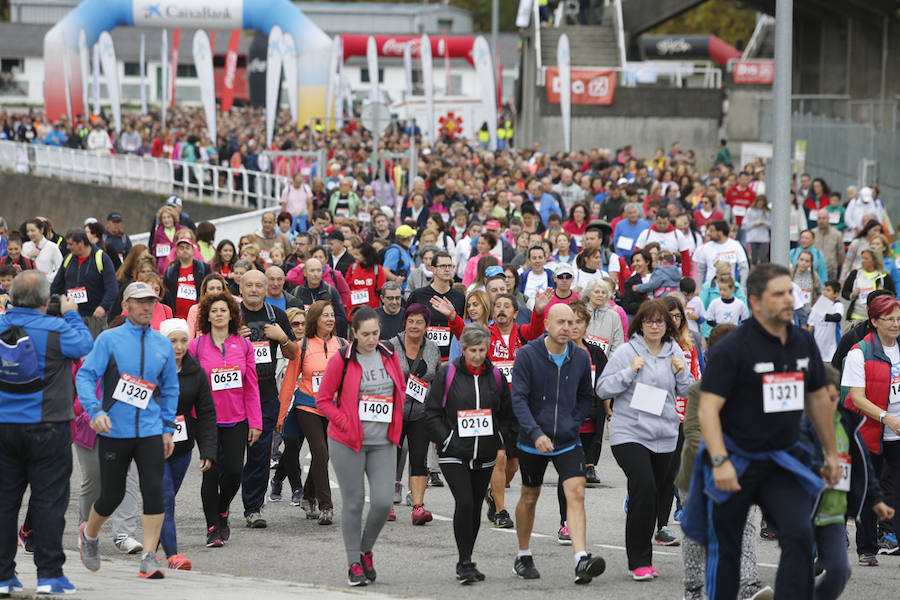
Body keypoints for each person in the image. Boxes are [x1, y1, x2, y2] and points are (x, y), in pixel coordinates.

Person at [687, 263, 840, 599]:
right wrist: (719, 460)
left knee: (800, 536)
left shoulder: (803, 342)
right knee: (726, 549)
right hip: (735, 459)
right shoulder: (733, 348)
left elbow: (816, 398)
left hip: (782, 459)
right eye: (779, 294)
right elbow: (708, 409)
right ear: (755, 302)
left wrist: (830, 453)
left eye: (791, 292)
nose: (789, 299)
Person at [76, 281, 180, 580]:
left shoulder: (162, 343)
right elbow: (85, 376)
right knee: (111, 495)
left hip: (149, 430)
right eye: (140, 302)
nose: (147, 307)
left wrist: (167, 427)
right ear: (127, 305)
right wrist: (95, 411)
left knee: (154, 491)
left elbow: (170, 388)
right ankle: (90, 534)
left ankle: (149, 557)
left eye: (151, 301)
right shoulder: (109, 339)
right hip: (114, 430)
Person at [0, 272, 93, 595]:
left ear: (11, 298)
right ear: (44, 300)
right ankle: (49, 576)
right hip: (48, 426)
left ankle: (3, 576)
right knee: (49, 502)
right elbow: (84, 344)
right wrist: (71, 313)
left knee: (4, 503)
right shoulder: (56, 328)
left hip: (3, 426)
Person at [510, 304, 607, 584]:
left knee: (576, 492)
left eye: (572, 322)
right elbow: (518, 398)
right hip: (532, 440)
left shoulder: (580, 357)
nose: (567, 327)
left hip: (567, 440)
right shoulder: (528, 355)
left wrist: (572, 424)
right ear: (547, 324)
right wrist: (536, 433)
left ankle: (581, 559)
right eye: (561, 322)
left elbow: (585, 396)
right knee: (530, 496)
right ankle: (523, 554)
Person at [675, 323, 773, 600]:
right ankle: (693, 588)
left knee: (746, 525)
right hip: (697, 470)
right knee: (697, 532)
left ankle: (748, 585)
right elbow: (693, 433)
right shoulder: (698, 391)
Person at [596, 300, 693, 580]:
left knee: (655, 494)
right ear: (639, 324)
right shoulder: (627, 351)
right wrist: (630, 371)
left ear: (668, 326)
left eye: (660, 322)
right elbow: (602, 388)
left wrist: (680, 371)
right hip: (629, 433)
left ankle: (644, 557)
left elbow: (686, 389)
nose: (654, 326)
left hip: (664, 434)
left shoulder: (675, 351)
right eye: (648, 321)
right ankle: (638, 561)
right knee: (644, 487)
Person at [315, 307, 406, 586]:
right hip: (348, 442)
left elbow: (399, 391)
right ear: (353, 333)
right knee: (354, 503)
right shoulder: (341, 360)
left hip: (382, 443)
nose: (371, 339)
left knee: (382, 502)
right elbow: (323, 400)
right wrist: (344, 421)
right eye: (365, 334)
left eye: (375, 333)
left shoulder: (389, 356)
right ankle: (353, 562)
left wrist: (396, 428)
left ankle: (366, 550)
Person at [425, 322, 517, 584]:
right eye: (473, 350)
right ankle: (464, 561)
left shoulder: (496, 376)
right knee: (464, 502)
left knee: (475, 506)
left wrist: (500, 440)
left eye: (482, 350)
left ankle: (466, 560)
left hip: (485, 452)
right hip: (454, 451)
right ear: (463, 349)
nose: (478, 356)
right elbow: (432, 413)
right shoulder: (447, 374)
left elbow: (507, 415)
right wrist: (447, 439)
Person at [804, 363, 895, 593]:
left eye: (834, 398)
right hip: (802, 513)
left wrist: (876, 501)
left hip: (834, 513)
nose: (829, 405)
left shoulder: (847, 425)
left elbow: (864, 468)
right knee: (798, 572)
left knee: (840, 572)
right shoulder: (799, 426)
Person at [189, 292, 261, 547]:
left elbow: (251, 387)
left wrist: (256, 422)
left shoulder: (243, 346)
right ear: (207, 316)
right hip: (205, 420)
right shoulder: (195, 346)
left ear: (231, 314)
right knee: (211, 472)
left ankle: (222, 510)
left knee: (233, 472)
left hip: (237, 418)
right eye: (214, 311)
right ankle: (212, 528)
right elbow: (187, 382)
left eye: (223, 310)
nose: (219, 314)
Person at [841, 294, 900, 567]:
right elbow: (856, 397)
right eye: (890, 319)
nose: (896, 324)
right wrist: (886, 417)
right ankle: (867, 547)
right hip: (871, 430)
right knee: (868, 490)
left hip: (897, 432)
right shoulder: (859, 351)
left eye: (899, 319)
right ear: (874, 321)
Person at [238, 270, 298, 527]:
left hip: (265, 396)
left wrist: (282, 337)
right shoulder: (230, 315)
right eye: (248, 285)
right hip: (232, 396)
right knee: (228, 461)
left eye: (258, 285)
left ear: (266, 289)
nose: (253, 289)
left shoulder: (277, 316)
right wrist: (231, 339)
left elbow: (294, 353)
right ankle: (219, 507)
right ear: (240, 289)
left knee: (260, 455)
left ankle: (253, 509)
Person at [278, 301, 345, 525]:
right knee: (320, 452)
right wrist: (280, 414)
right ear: (315, 319)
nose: (329, 319)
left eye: (332, 315)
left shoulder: (343, 345)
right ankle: (325, 505)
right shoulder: (302, 346)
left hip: (333, 408)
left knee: (324, 455)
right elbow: (289, 381)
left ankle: (308, 496)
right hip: (307, 405)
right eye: (324, 315)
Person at [158, 318, 217, 570]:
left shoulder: (196, 371)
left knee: (164, 500)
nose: (179, 347)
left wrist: (208, 450)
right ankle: (172, 555)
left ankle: (152, 548)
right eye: (173, 341)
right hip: (153, 444)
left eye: (184, 340)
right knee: (165, 497)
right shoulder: (152, 368)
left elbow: (206, 413)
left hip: (182, 447)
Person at [388, 304, 442, 525]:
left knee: (419, 458)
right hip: (395, 411)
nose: (414, 326)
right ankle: (387, 504)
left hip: (421, 412)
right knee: (391, 458)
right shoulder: (392, 345)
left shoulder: (432, 348)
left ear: (426, 325)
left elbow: (437, 378)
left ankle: (418, 507)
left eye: (419, 322)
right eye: (411, 321)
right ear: (405, 323)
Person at [50, 229, 118, 339]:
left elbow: (112, 288)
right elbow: (56, 286)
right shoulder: (68, 259)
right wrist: (57, 303)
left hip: (94, 317)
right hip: (71, 315)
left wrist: (103, 307)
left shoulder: (101, 258)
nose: (67, 247)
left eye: (70, 244)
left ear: (81, 243)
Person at [270, 307, 305, 505]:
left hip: (304, 406)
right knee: (292, 446)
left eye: (303, 323)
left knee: (294, 448)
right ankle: (297, 488)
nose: (300, 328)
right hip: (283, 404)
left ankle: (276, 479)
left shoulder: (310, 347)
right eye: (295, 324)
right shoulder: (279, 351)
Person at [408, 251, 466, 362]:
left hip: (451, 357)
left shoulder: (460, 297)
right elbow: (405, 326)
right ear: (433, 269)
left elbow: (463, 328)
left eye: (450, 266)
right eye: (443, 266)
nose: (447, 269)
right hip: (423, 357)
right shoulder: (418, 295)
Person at [294, 257, 348, 337]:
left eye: (319, 270)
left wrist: (325, 321)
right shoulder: (297, 292)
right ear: (305, 272)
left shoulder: (331, 292)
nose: (316, 274)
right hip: (304, 338)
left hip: (326, 338)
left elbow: (342, 319)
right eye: (312, 271)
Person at [842, 249, 894, 327]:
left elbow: (892, 296)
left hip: (875, 318)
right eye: (862, 258)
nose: (863, 261)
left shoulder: (884, 276)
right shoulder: (855, 273)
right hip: (855, 317)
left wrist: (883, 294)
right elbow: (844, 292)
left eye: (866, 259)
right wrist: (852, 295)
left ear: (874, 260)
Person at [163, 236, 209, 320]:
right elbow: (166, 294)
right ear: (177, 252)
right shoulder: (170, 272)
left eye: (187, 247)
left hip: (199, 317)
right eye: (181, 248)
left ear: (193, 250)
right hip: (177, 318)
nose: (184, 250)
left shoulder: (203, 268)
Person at [694, 220, 750, 287]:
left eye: (712, 230)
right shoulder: (706, 247)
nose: (709, 233)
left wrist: (743, 287)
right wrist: (699, 288)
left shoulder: (736, 246)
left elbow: (744, 268)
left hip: (730, 288)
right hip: (710, 289)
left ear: (720, 232)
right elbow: (700, 269)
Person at [584, 278, 624, 357]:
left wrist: (609, 365)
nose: (600, 295)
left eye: (603, 292)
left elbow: (618, 344)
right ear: (589, 294)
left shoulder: (614, 316)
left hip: (607, 364)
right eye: (596, 292)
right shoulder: (581, 313)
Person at [808, 280, 843, 363]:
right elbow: (810, 326)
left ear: (836, 294)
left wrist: (824, 315)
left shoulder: (837, 305)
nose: (824, 292)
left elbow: (837, 317)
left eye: (828, 290)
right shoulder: (818, 306)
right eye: (824, 290)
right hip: (817, 350)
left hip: (831, 351)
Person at [345, 242, 386, 311]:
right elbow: (346, 286)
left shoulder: (377, 269)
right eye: (354, 254)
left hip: (372, 309)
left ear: (365, 255)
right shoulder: (353, 267)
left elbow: (382, 289)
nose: (354, 257)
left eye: (357, 255)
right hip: (354, 309)